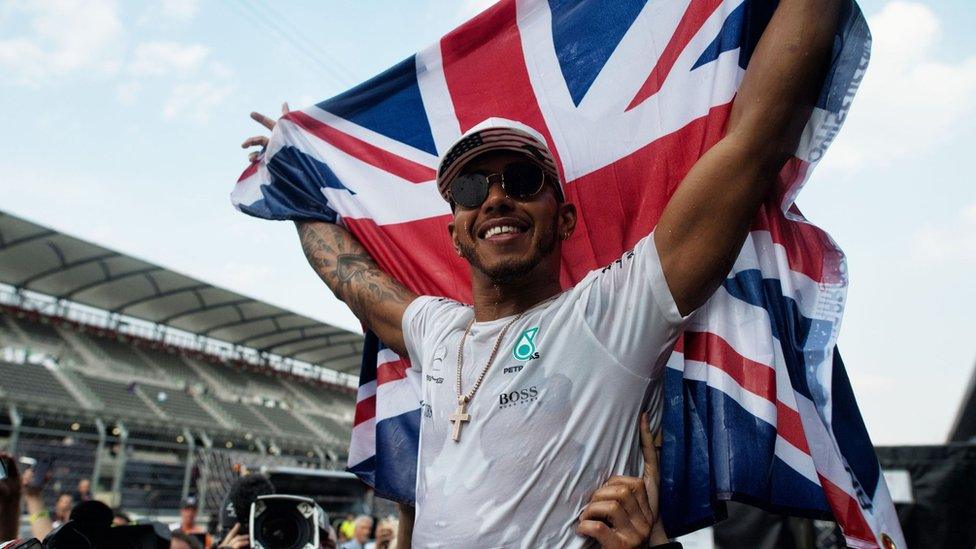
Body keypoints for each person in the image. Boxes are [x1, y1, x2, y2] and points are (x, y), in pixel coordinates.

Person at [242, 0, 838, 545]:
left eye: (523, 181)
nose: (496, 198)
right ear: (455, 232)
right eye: (472, 187)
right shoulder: (435, 332)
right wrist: (293, 177)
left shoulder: (613, 312)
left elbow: (749, 149)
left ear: (565, 220)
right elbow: (351, 279)